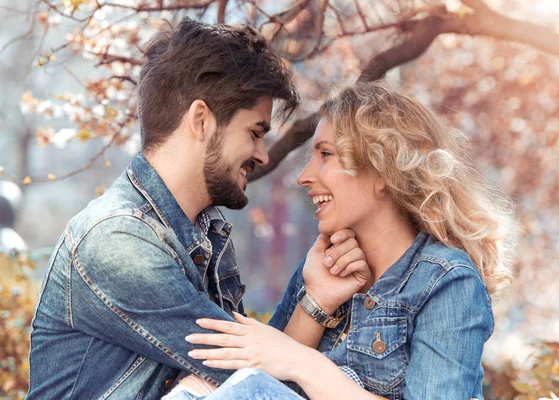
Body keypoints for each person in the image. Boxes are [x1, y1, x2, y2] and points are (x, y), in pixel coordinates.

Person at [26, 19, 369, 399]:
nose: (262, 154)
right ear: (201, 120)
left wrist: (316, 299)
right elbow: (263, 385)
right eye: (255, 133)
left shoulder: (207, 234)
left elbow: (257, 377)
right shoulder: (118, 240)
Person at [179, 82, 517, 399]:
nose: (304, 176)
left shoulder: (445, 281)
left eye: (326, 154)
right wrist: (317, 302)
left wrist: (304, 363)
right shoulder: (319, 269)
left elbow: (281, 368)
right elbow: (270, 382)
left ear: (384, 170)